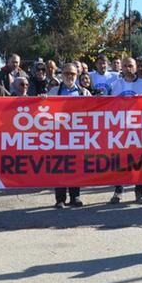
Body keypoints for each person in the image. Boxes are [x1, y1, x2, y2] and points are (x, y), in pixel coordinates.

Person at [108, 56, 142, 204]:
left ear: (136, 67)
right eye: (125, 66)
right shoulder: (114, 85)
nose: (128, 68)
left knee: (139, 161)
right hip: (120, 130)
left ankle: (139, 191)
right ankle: (118, 191)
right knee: (119, 161)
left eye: (131, 66)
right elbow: (106, 106)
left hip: (140, 130)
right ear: (121, 68)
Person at [47, 63, 92, 208]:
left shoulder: (84, 93)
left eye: (72, 74)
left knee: (75, 166)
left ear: (77, 75)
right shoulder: (53, 92)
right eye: (66, 73)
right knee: (59, 167)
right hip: (58, 136)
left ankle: (75, 197)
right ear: (61, 74)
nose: (69, 76)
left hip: (77, 136)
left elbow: (93, 113)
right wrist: (41, 100)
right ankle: (60, 199)